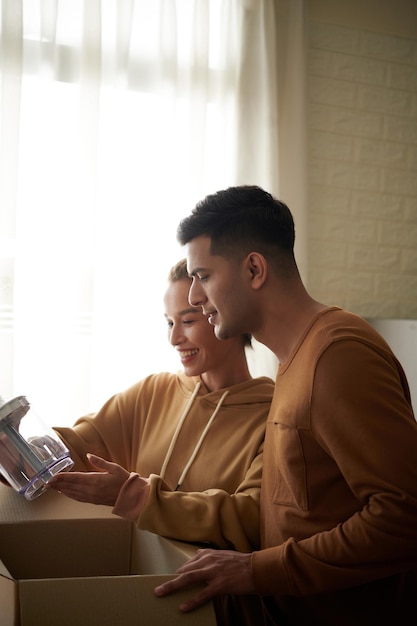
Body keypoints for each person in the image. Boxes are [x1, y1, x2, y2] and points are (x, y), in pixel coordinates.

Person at [154, 186, 417, 625]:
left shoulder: (338, 355)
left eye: (203, 276)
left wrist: (257, 570)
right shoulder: (293, 358)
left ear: (254, 269)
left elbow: (405, 516)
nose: (196, 297)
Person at [48, 258, 274, 553]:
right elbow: (76, 447)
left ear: (226, 316)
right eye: (169, 322)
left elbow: (252, 518)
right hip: (137, 575)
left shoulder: (272, 415)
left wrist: (138, 496)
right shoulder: (153, 392)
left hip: (210, 592)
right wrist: (19, 450)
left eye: (188, 321)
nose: (174, 338)